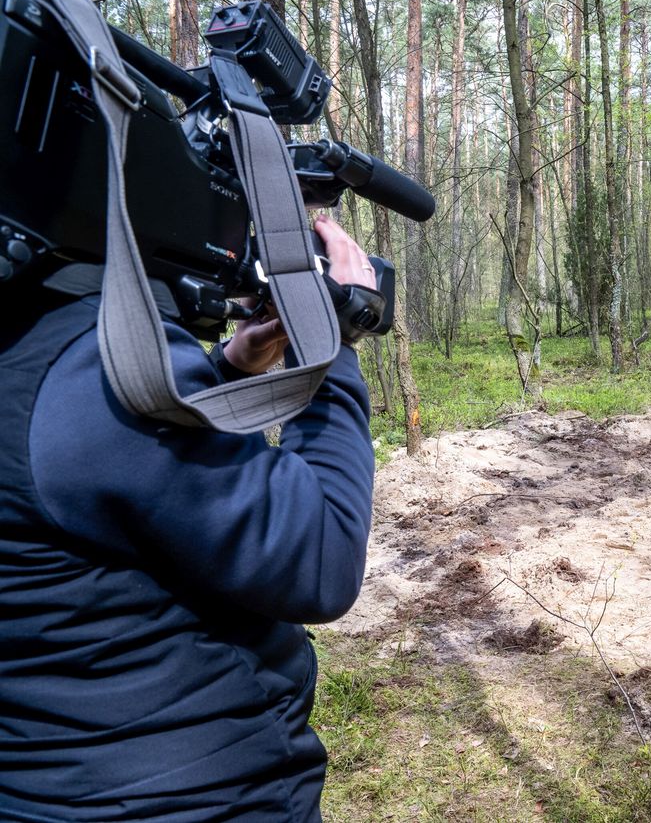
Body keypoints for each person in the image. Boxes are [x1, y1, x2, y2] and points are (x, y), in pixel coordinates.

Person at [0, 214, 377, 821]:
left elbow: (124, 480)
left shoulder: (30, 344)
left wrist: (226, 371)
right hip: (190, 793)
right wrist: (330, 343)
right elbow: (323, 558)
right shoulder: (86, 359)